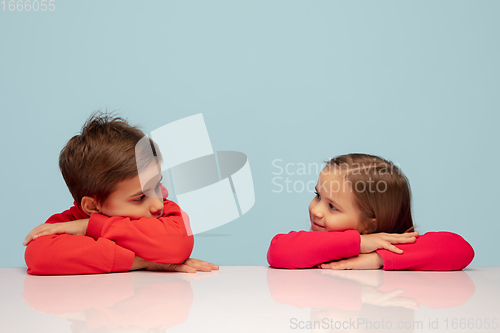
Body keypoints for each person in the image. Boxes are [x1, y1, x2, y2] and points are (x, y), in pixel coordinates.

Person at [23, 112, 218, 275]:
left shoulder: (165, 210)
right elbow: (39, 256)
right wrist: (145, 261)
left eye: (157, 186)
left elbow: (176, 246)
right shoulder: (68, 223)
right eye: (139, 197)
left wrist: (90, 227)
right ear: (91, 206)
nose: (157, 204)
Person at [267, 153, 474, 270]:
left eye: (332, 207)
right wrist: (359, 243)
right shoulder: (314, 246)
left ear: (371, 224)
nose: (316, 210)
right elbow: (277, 251)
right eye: (317, 195)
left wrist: (378, 258)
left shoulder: (389, 246)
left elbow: (461, 250)